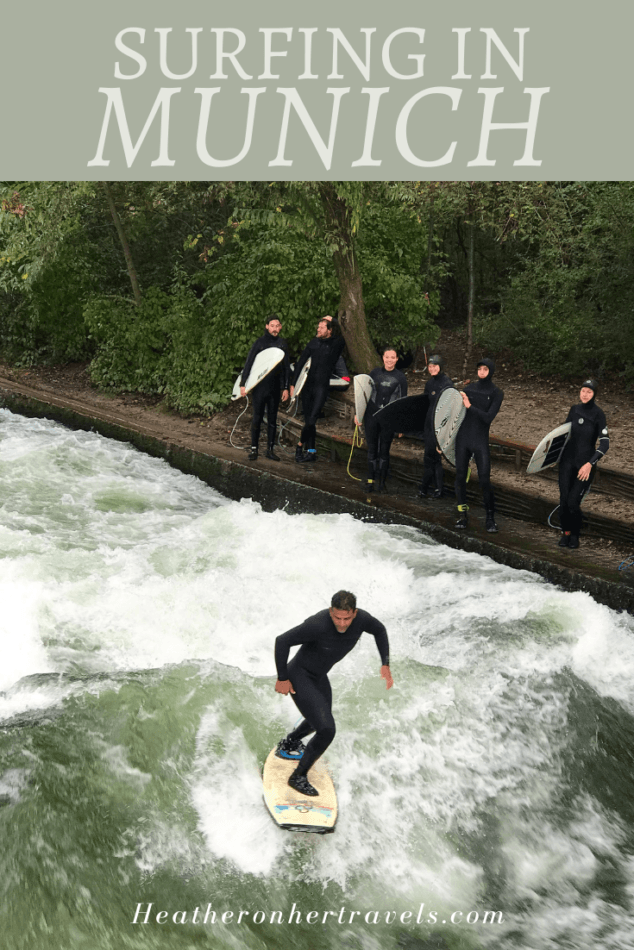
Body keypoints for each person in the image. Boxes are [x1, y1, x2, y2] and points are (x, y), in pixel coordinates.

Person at [274, 590, 393, 797]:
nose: (342, 623)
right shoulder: (318, 624)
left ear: (354, 613)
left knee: (318, 720)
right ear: (331, 612)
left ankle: (291, 742)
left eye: (347, 618)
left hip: (319, 676)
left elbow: (380, 630)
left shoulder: (362, 619)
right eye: (337, 617)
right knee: (327, 729)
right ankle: (298, 777)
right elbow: (282, 640)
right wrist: (282, 678)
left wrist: (385, 664)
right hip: (300, 675)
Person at [558, 379, 609, 549]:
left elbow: (605, 444)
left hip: (584, 464)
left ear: (594, 394)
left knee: (573, 501)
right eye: (583, 391)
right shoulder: (574, 409)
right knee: (564, 500)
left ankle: (576, 534)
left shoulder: (598, 414)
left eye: (589, 392)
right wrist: (550, 457)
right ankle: (565, 533)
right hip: (567, 461)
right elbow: (563, 432)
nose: (585, 394)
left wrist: (589, 464)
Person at [454, 358, 504, 533]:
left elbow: (488, 417)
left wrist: (469, 406)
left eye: (485, 369)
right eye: (480, 369)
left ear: (491, 371)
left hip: (480, 439)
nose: (482, 372)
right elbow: (453, 414)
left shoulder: (497, 393)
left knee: (484, 479)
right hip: (463, 438)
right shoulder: (468, 389)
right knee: (460, 475)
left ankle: (490, 518)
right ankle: (462, 515)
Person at [354, 347, 408, 494]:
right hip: (371, 416)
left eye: (392, 357)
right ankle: (370, 481)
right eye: (387, 357)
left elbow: (403, 401)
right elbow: (363, 395)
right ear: (382, 358)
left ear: (396, 359)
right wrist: (358, 414)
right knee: (371, 449)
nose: (389, 360)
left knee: (384, 450)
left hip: (389, 419)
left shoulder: (401, 378)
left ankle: (382, 482)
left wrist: (401, 424)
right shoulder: (374, 373)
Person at [293, 316, 345, 462]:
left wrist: (333, 319)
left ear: (329, 330)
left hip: (321, 387)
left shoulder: (336, 344)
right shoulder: (313, 343)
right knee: (309, 421)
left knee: (311, 420)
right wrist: (292, 386)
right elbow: (300, 363)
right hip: (307, 387)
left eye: (322, 327)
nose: (318, 329)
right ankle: (311, 452)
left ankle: (299, 445)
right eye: (318, 326)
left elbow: (341, 331)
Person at [240, 314, 291, 461]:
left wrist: (285, 387)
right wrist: (243, 384)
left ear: (280, 327)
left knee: (272, 419)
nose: (275, 329)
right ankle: (254, 449)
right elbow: (249, 363)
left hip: (275, 388)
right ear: (267, 326)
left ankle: (270, 449)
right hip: (260, 387)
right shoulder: (260, 343)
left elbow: (286, 368)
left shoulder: (282, 344)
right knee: (257, 418)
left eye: (277, 326)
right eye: (272, 326)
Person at [418, 354, 452, 499]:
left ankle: (438, 489)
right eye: (430, 367)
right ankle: (425, 487)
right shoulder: (430, 383)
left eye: (435, 366)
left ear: (441, 367)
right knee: (428, 456)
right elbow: (425, 403)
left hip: (440, 425)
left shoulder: (447, 384)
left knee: (436, 457)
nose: (432, 369)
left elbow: (450, 408)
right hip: (429, 424)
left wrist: (444, 432)